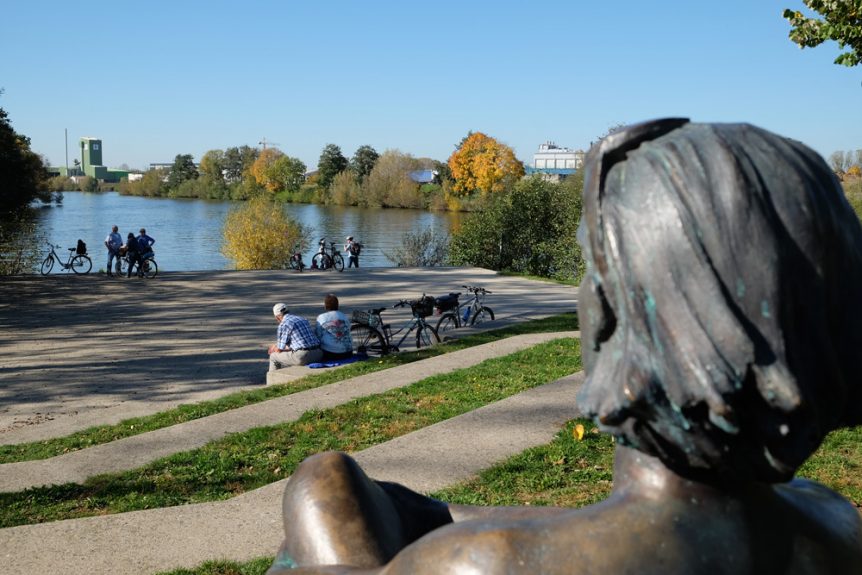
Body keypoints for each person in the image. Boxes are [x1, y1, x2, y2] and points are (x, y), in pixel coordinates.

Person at [267, 119, 862, 574]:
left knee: (318, 493)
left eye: (590, 269)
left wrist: (322, 492)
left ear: (613, 316)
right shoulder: (834, 520)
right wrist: (438, 514)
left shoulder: (475, 563)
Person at [268, 303, 323, 370]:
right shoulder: (302, 319)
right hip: (319, 353)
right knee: (290, 354)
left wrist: (273, 348)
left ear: (277, 317)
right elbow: (299, 343)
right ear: (288, 311)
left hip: (303, 356)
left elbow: (279, 349)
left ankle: (274, 378)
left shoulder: (284, 324)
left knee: (273, 357)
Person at [315, 294, 353, 361]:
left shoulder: (321, 317)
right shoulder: (344, 316)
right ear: (337, 305)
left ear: (325, 306)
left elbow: (318, 335)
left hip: (330, 353)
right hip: (348, 352)